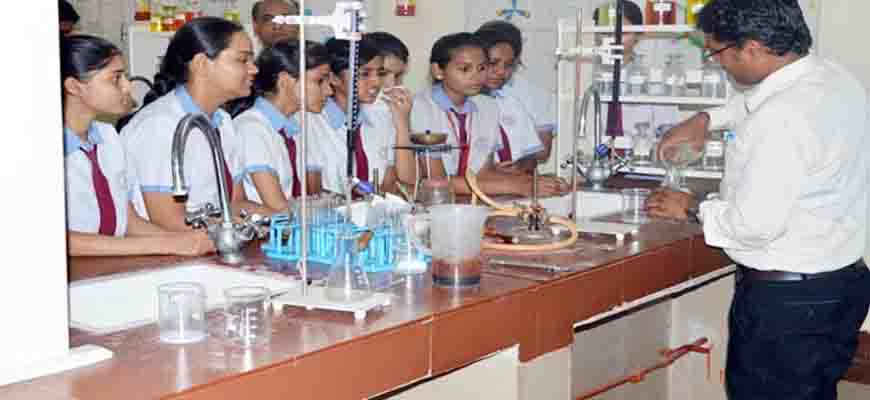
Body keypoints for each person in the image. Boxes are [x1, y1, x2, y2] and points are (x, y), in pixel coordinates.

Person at [648, 1, 870, 398]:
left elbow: (753, 226)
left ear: (751, 48)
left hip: (788, 305)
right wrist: (705, 119)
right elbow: (757, 101)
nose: (717, 63)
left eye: (717, 51)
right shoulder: (831, 78)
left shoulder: (782, 117)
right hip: (840, 284)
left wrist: (692, 207)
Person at [61, 34, 213, 256]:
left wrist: (188, 241)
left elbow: (128, 221)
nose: (127, 87)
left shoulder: (108, 137)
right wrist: (167, 245)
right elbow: (60, 240)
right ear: (74, 86)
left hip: (108, 265)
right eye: (115, 78)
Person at [122, 17, 276, 232]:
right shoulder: (159, 125)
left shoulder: (223, 122)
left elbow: (235, 202)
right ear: (202, 64)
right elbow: (169, 221)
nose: (254, 70)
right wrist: (236, 231)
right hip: (171, 252)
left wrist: (289, 222)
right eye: (242, 60)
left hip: (211, 242)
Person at [410, 32, 566, 197]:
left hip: (469, 200)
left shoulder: (488, 106)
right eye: (465, 69)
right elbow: (437, 180)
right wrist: (519, 186)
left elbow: (483, 173)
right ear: (438, 70)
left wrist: (535, 182)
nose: (476, 76)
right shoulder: (420, 107)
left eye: (482, 68)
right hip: (432, 202)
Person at [231, 41, 333, 211]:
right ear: (285, 80)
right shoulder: (251, 129)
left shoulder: (293, 126)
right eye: (319, 81)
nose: (329, 91)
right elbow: (278, 208)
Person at [309, 37, 415, 195]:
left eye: (380, 73)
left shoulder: (381, 115)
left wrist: (402, 123)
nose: (376, 82)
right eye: (364, 74)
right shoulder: (312, 121)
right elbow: (312, 192)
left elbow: (405, 181)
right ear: (334, 78)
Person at [592, 1, 680, 157]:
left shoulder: (654, 81)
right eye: (606, 32)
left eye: (623, 32)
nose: (614, 39)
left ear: (638, 34)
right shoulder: (587, 78)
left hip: (643, 166)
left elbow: (669, 130)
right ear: (596, 33)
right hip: (598, 162)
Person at [477, 20, 556, 161]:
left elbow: (539, 151)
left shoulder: (511, 102)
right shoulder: (463, 99)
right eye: (493, 62)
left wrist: (517, 166)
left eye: (508, 64)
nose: (500, 72)